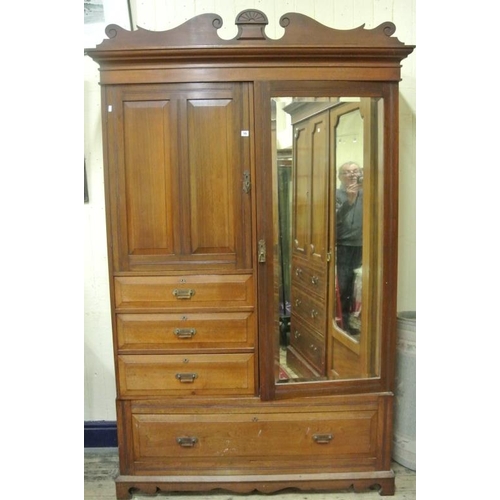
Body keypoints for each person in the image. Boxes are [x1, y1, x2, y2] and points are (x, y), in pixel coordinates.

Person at [335, 161, 363, 334]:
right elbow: (333, 221)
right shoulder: (336, 195)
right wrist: (349, 202)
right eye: (347, 172)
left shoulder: (366, 193)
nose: (352, 175)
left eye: (355, 171)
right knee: (344, 286)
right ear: (340, 177)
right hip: (343, 246)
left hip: (363, 245)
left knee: (358, 286)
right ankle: (343, 324)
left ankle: (353, 320)